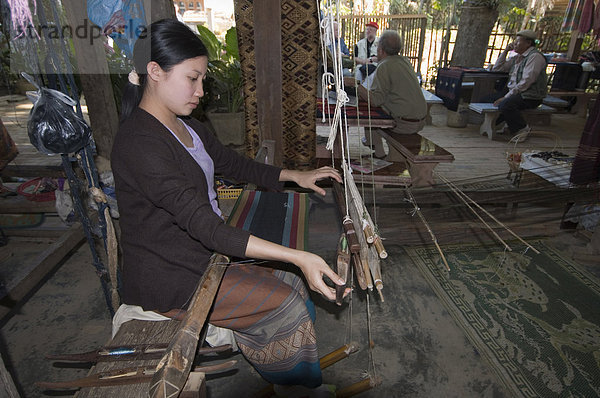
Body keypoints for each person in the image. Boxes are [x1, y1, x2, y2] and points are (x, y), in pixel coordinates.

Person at [111, 19, 346, 396]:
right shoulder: (140, 143)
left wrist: (295, 175)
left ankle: (287, 367)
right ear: (155, 72)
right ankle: (299, 386)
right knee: (285, 303)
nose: (201, 91)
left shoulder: (186, 125)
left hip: (200, 254)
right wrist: (297, 255)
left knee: (291, 281)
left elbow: (233, 164)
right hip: (170, 275)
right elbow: (206, 227)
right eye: (193, 78)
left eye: (202, 79)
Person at [350, 30, 427, 158]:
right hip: (420, 119)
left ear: (381, 50)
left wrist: (356, 84)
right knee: (376, 110)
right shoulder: (405, 61)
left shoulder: (384, 66)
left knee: (371, 115)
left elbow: (376, 100)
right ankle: (377, 150)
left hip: (405, 124)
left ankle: (374, 147)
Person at [491, 29, 547, 142]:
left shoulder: (534, 57)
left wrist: (507, 97)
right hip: (515, 92)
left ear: (528, 43)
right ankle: (503, 124)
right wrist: (506, 51)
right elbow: (497, 68)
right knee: (487, 99)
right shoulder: (517, 57)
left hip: (530, 95)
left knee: (505, 104)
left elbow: (526, 81)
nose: (514, 45)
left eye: (517, 42)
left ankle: (522, 128)